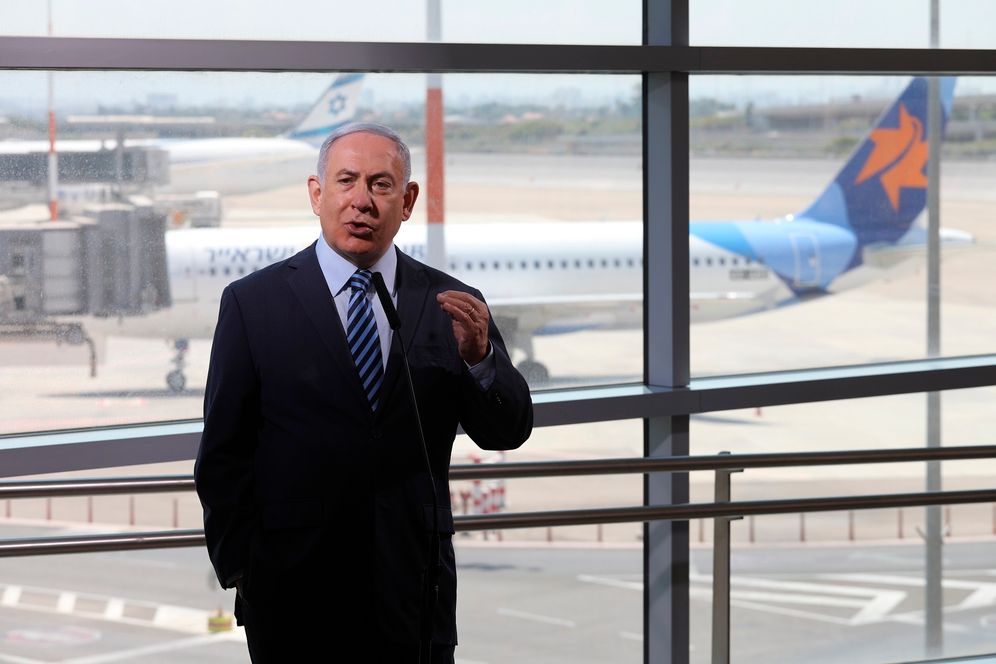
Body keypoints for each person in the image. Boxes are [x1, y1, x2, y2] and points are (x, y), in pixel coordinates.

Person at [194, 122, 533, 663]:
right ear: (316, 194)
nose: (362, 201)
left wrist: (481, 361)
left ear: (407, 201)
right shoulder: (252, 304)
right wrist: (244, 570)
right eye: (346, 181)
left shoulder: (449, 302)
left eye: (381, 184)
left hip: (414, 593)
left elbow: (507, 430)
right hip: (292, 597)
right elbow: (222, 458)